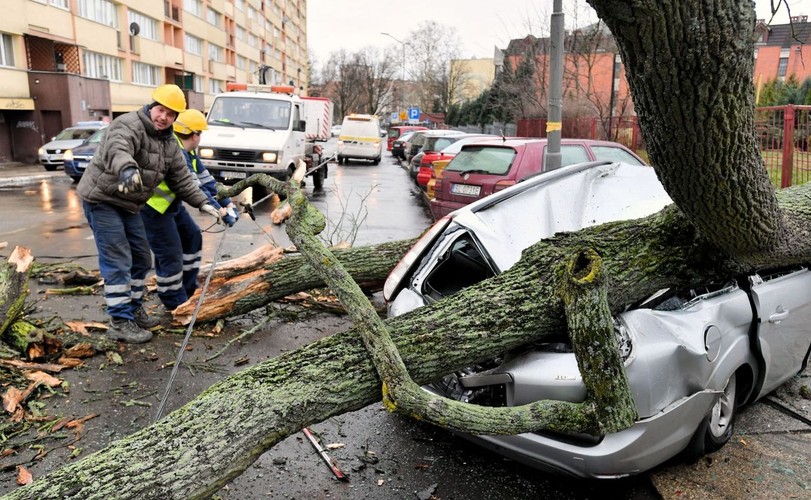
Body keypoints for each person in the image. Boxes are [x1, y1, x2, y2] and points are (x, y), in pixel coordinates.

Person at [77, 84, 222, 344]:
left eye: (170, 114)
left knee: (142, 258)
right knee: (119, 257)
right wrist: (127, 170)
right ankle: (120, 321)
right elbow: (118, 149)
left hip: (130, 205)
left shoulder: (168, 145)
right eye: (160, 110)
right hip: (102, 200)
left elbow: (182, 179)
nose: (163, 117)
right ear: (152, 106)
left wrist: (203, 203)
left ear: (176, 119)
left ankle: (132, 310)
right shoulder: (128, 124)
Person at [140, 109, 238, 312]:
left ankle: (189, 287)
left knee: (192, 237)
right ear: (195, 135)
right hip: (153, 209)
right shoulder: (176, 151)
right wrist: (219, 210)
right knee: (171, 253)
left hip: (170, 205)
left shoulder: (189, 151)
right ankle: (174, 300)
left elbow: (206, 179)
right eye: (200, 134)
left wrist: (227, 203)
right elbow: (194, 186)